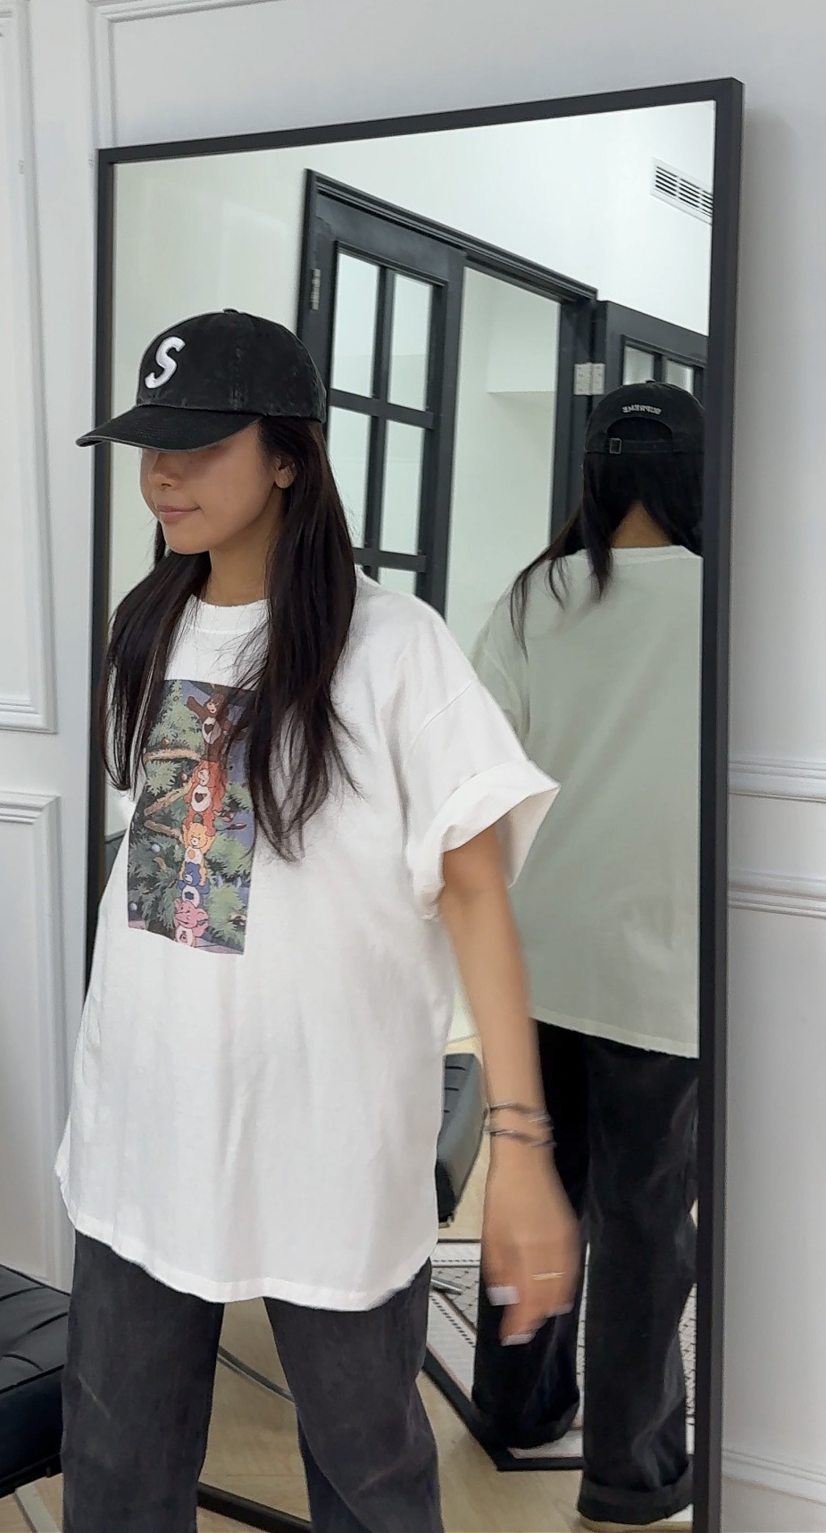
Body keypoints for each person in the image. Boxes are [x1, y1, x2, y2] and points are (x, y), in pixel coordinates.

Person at [56, 305, 579, 1533]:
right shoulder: (145, 624)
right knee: (118, 1470)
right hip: (142, 1127)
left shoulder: (397, 649)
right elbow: (161, 872)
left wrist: (520, 1145)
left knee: (370, 1474)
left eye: (198, 444)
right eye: (149, 444)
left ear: (288, 455)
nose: (162, 473)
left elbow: (477, 892)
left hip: (328, 1148)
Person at [468, 381, 704, 1533]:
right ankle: (631, 1470)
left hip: (536, 952)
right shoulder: (733, 602)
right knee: (647, 1224)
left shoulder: (533, 595)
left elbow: (476, 773)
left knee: (535, 1183)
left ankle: (515, 1405)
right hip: (665, 964)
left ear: (595, 473)